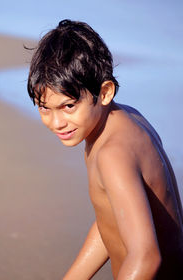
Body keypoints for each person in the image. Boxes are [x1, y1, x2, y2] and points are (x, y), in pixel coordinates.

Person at [27, 19, 183, 279]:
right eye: (45, 108)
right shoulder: (125, 120)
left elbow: (145, 257)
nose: (56, 123)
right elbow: (112, 218)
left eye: (68, 106)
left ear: (105, 92)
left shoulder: (112, 154)